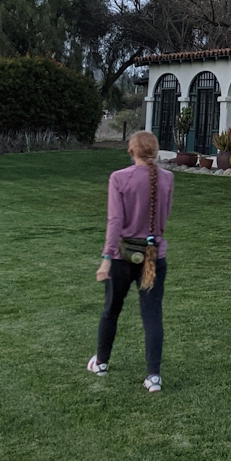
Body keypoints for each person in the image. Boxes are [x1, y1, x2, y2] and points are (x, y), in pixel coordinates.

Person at [87, 129, 174, 392]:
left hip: (122, 257)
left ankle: (101, 362)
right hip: (152, 256)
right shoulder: (168, 178)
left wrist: (106, 259)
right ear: (155, 151)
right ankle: (153, 377)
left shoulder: (119, 178)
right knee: (152, 315)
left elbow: (115, 221)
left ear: (131, 150)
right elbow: (164, 217)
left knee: (111, 309)